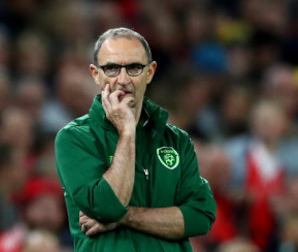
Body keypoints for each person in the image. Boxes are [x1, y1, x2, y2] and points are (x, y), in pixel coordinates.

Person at [54, 27, 216, 251]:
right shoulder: (74, 138)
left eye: (133, 68)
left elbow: (200, 216)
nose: (122, 79)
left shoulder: (177, 141)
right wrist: (128, 132)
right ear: (95, 74)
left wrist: (125, 217)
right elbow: (108, 208)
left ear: (150, 72)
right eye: (111, 68)